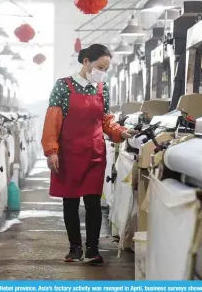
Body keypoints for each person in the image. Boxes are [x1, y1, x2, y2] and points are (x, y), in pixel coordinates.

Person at [41, 44, 137, 265]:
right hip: (69, 153)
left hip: (94, 153)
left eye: (105, 68)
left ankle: (92, 249)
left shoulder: (101, 88)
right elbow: (52, 121)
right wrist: (51, 151)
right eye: (99, 67)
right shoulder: (63, 86)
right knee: (71, 202)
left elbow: (105, 120)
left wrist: (121, 132)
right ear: (86, 62)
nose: (102, 72)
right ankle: (75, 247)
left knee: (93, 201)